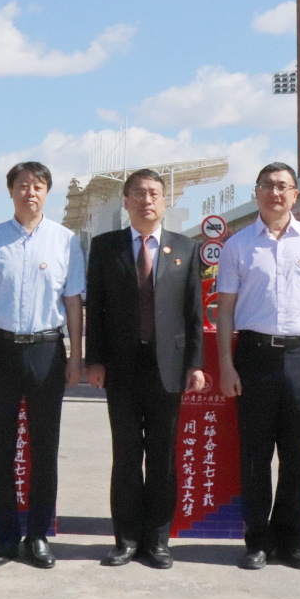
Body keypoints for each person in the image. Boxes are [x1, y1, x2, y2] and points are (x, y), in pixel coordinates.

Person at [216, 162, 300, 571]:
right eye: (268, 186)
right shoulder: (237, 245)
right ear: (256, 192)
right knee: (255, 454)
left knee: (296, 453)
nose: (276, 193)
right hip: (254, 356)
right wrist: (226, 365)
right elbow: (225, 310)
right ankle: (257, 541)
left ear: (295, 194)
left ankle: (291, 541)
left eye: (284, 186)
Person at [0, 161, 85, 569]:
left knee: (44, 449)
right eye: (22, 185)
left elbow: (73, 302)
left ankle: (38, 536)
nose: (30, 192)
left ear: (47, 192)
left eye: (38, 186)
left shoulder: (65, 241)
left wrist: (76, 355)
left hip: (46, 352)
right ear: (11, 191)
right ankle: (4, 539)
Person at [86, 169, 205, 570]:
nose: (147, 200)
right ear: (126, 201)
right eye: (138, 193)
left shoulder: (185, 248)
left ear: (164, 200)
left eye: (154, 193)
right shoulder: (105, 247)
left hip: (168, 368)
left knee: (162, 456)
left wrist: (195, 364)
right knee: (125, 455)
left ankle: (157, 542)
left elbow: (194, 311)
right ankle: (126, 540)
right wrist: (94, 359)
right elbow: (95, 309)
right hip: (120, 367)